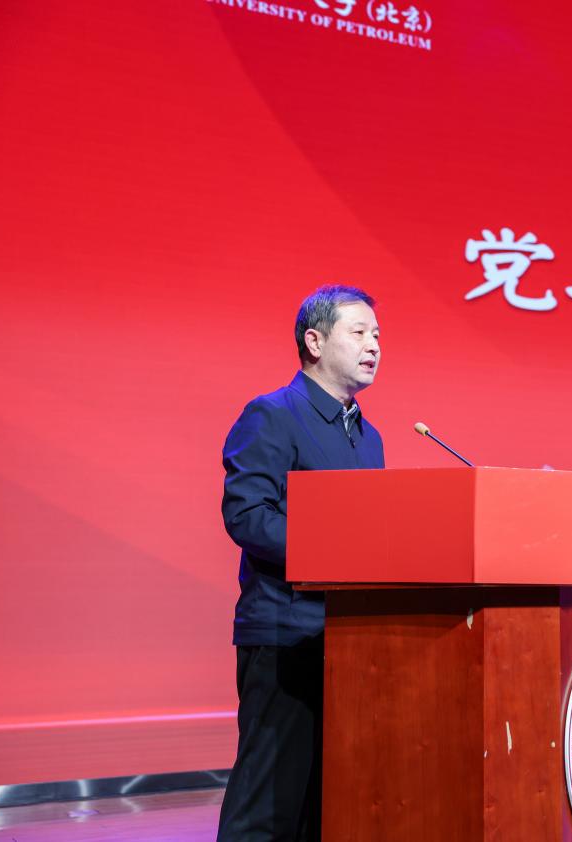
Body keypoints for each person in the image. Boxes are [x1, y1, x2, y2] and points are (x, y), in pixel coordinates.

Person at [217, 285, 385, 841]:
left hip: (351, 642)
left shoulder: (369, 437)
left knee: (326, 807)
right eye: (358, 332)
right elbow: (247, 516)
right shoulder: (272, 415)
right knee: (268, 806)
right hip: (285, 637)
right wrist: (336, 549)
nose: (374, 345)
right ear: (314, 341)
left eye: (377, 335)